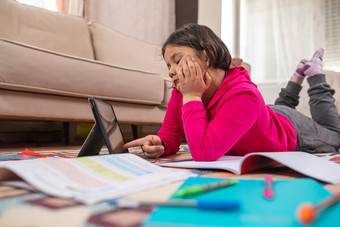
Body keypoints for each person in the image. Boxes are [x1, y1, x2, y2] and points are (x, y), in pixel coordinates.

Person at [123, 23, 340, 161]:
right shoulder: (182, 91)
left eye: (177, 61)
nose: (171, 72)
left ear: (206, 57)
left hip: (292, 129)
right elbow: (170, 136)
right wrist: (160, 143)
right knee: (280, 105)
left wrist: (192, 96)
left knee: (335, 134)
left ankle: (314, 73)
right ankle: (297, 76)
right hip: (264, 116)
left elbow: (204, 153)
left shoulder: (243, 96)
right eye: (168, 65)